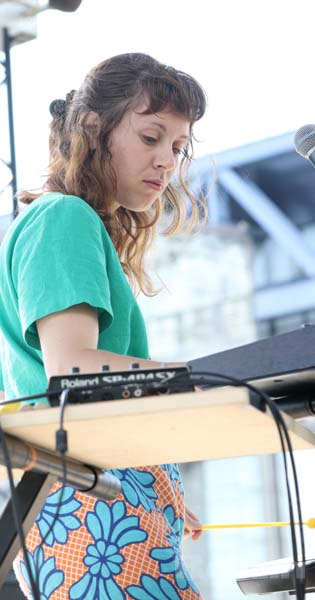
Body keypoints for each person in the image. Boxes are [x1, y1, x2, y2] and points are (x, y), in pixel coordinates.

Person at [0, 52, 207, 599]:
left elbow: (32, 392)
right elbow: (70, 370)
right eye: (151, 137)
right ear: (95, 130)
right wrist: (207, 381)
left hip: (89, 502)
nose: (167, 160)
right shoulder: (63, 218)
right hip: (92, 512)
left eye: (178, 147)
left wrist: (153, 474)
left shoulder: (63, 224)